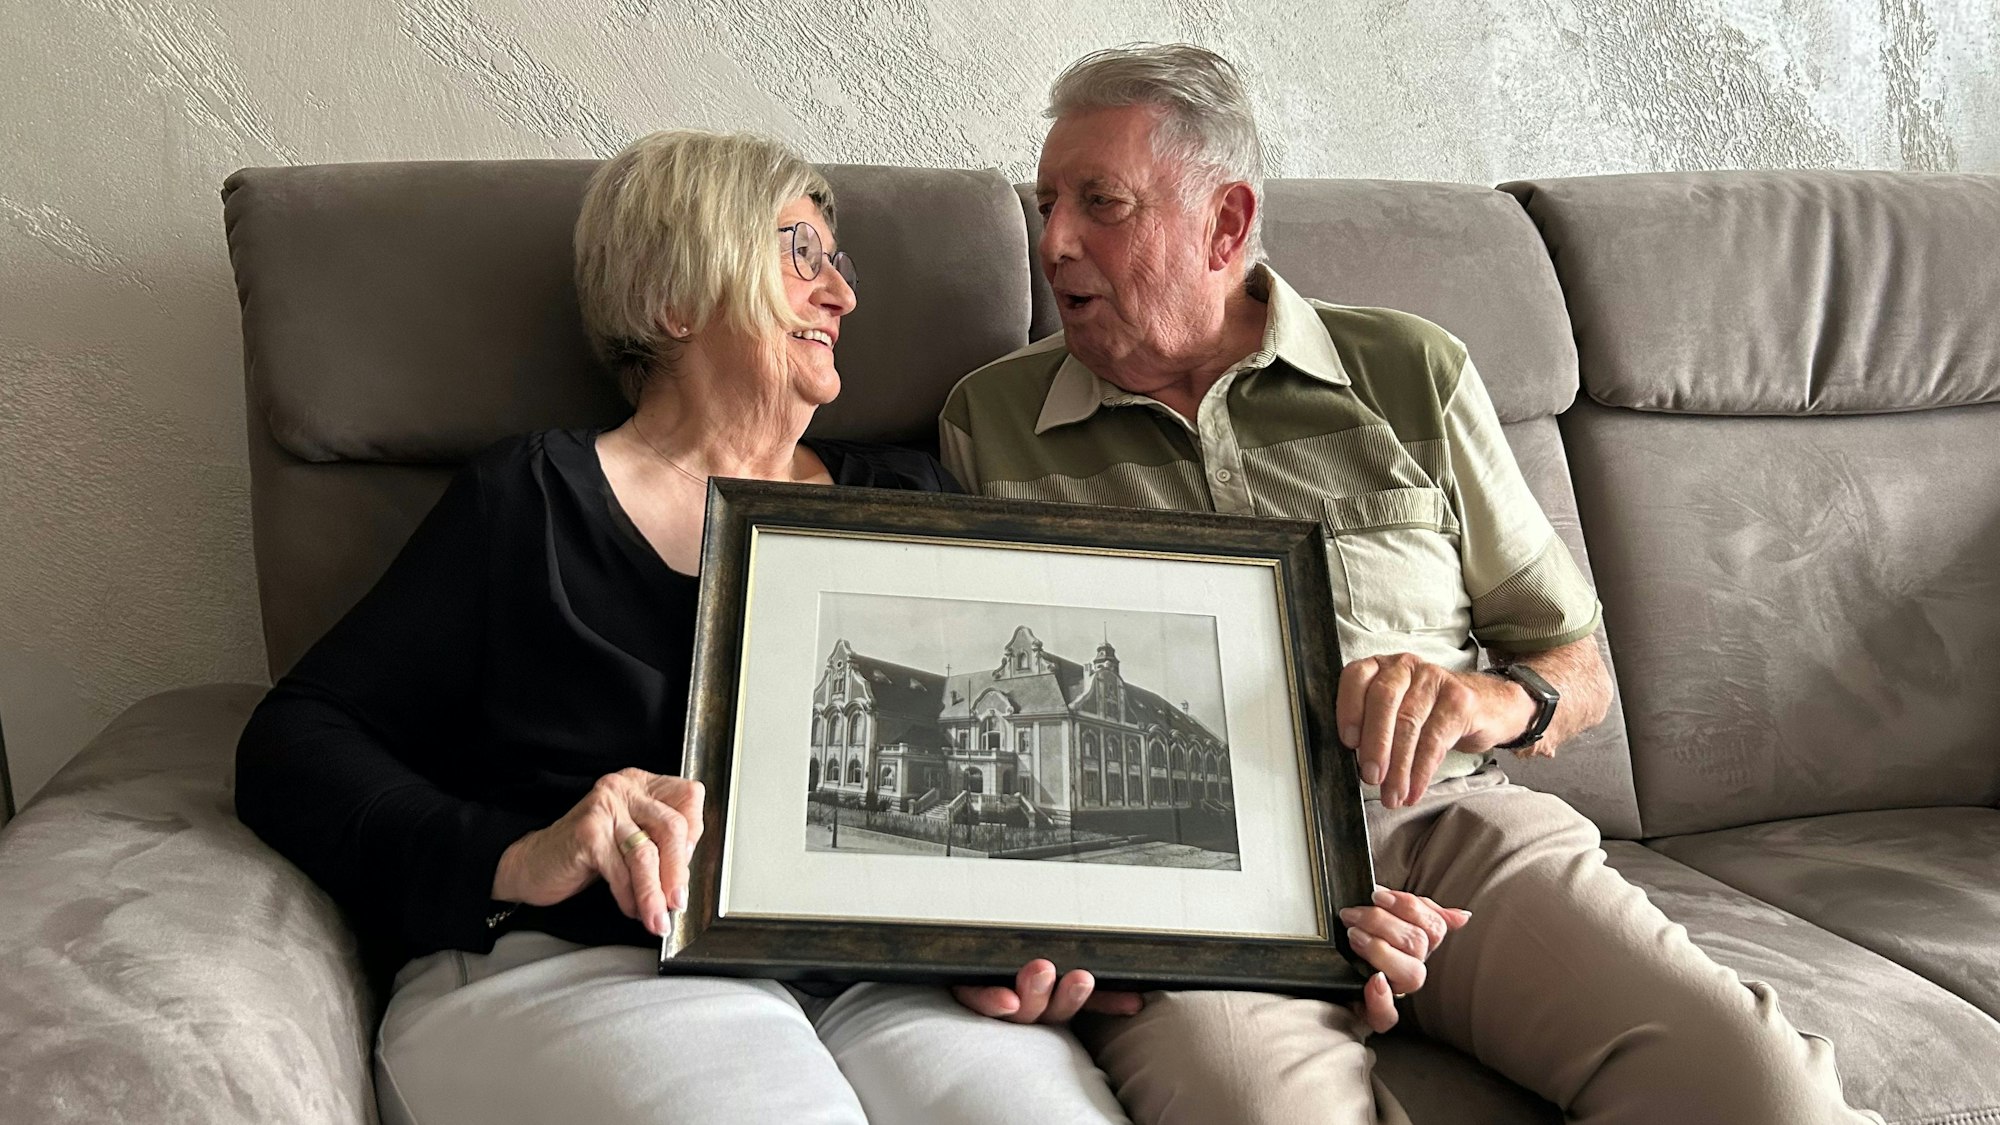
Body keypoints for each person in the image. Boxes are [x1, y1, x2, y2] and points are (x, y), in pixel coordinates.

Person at [940, 44, 1885, 1125]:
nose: (1052, 239)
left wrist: (1481, 700)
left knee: (1760, 1093)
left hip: (1446, 826)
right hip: (1192, 872)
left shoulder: (1407, 372)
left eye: (1098, 203)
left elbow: (1574, 668)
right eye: (1048, 200)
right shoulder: (989, 421)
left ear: (1223, 224)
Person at [237, 129, 1145, 1125]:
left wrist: (1007, 946)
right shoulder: (532, 500)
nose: (841, 297)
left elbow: (968, 742)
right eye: (798, 257)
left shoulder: (909, 499)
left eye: (835, 267)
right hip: (586, 962)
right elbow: (294, 745)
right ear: (673, 298)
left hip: (877, 984)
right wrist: (518, 854)